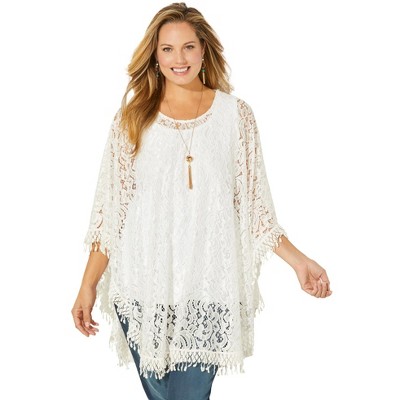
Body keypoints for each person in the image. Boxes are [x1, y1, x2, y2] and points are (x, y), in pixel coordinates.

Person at [71, 3, 332, 400]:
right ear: (155, 57)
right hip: (142, 290)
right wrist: (87, 286)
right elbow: (110, 214)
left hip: (208, 290)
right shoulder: (132, 120)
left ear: (204, 50)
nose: (179, 58)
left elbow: (255, 208)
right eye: (168, 49)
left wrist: (300, 262)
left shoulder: (235, 117)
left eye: (188, 47)